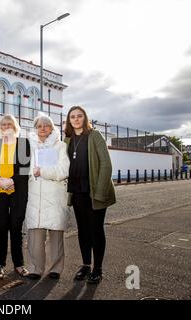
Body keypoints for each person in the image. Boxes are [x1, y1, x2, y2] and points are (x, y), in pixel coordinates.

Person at [64, 106, 116, 284]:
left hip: (94, 192)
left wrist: (100, 193)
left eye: (80, 116)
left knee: (96, 230)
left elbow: (106, 165)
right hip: (77, 191)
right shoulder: (68, 140)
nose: (76, 119)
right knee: (82, 230)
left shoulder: (95, 136)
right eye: (73, 117)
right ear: (69, 120)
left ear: (85, 118)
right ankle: (86, 265)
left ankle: (97, 269)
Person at [25, 114, 70, 280]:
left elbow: (64, 171)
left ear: (52, 128)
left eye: (47, 125)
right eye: (39, 126)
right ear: (35, 129)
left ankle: (56, 268)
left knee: (56, 234)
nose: (43, 129)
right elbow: (23, 170)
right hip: (34, 194)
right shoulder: (28, 146)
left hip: (54, 194)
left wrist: (42, 172)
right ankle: (35, 268)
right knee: (35, 235)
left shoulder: (60, 146)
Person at [0, 114, 31, 279]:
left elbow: (25, 169)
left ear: (15, 126)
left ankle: (19, 264)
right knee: (1, 227)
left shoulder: (23, 143)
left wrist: (11, 181)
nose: (6, 126)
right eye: (3, 124)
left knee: (16, 227)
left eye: (9, 124)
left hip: (18, 191)